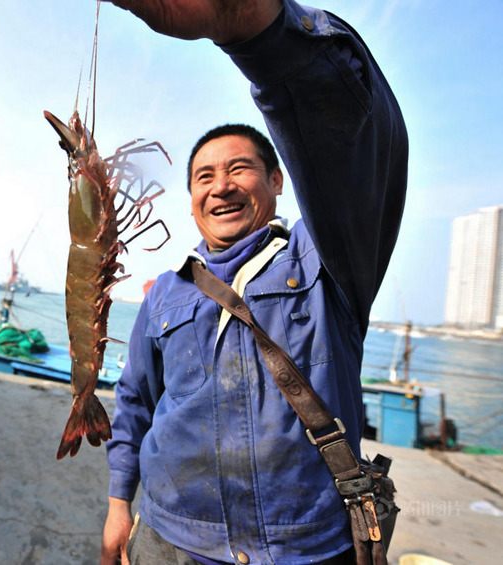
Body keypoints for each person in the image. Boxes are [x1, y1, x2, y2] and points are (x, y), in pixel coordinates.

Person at [100, 1, 408, 564]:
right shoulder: (166, 293)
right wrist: (120, 505)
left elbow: (357, 148)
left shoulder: (328, 263)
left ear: (276, 180)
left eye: (239, 169)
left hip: (306, 549)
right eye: (204, 176)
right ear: (191, 203)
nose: (221, 186)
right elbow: (134, 404)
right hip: (168, 542)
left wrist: (256, 28)